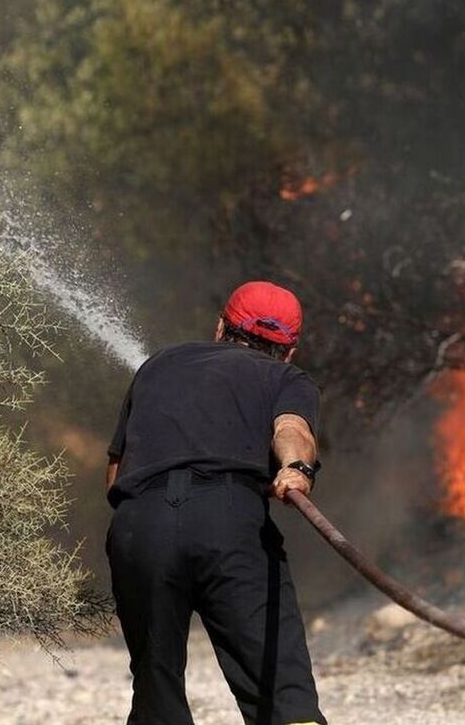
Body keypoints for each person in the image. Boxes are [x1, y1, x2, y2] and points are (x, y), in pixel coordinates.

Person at [105, 280, 327, 725]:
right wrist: (296, 470)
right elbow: (292, 430)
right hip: (228, 521)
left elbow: (115, 472)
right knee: (280, 689)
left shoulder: (157, 364)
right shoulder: (284, 377)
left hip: (139, 524)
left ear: (221, 325)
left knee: (155, 690)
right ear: (289, 351)